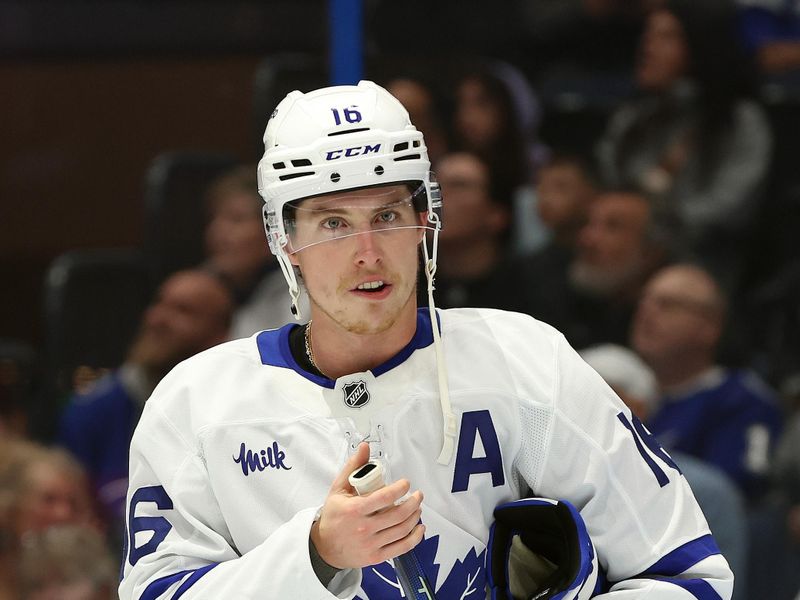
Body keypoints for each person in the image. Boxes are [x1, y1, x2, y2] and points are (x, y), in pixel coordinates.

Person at [119, 81, 733, 599]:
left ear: (424, 224)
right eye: (333, 223)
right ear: (285, 241)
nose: (367, 254)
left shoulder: (525, 363)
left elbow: (688, 578)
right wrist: (316, 555)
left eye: (387, 216)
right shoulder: (196, 406)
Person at [597, 0, 772, 289]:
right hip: (622, 261)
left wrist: (657, 228)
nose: (647, 47)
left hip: (704, 267)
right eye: (648, 35)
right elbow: (611, 186)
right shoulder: (632, 118)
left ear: (701, 45)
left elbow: (731, 209)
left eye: (666, 37)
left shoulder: (740, 123)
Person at [57, 269, 233, 525]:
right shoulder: (92, 410)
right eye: (158, 304)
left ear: (220, 333)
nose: (158, 318)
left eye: (183, 311)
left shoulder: (237, 408)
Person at [581, 343, 750, 598]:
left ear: (636, 408)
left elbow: (722, 589)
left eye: (594, 393)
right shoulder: (542, 470)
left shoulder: (707, 490)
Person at [630, 263, 784, 502]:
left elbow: (731, 497)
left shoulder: (740, 400)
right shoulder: (621, 393)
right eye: (644, 301)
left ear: (709, 327)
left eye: (667, 305)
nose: (646, 312)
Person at [522, 188, 672, 350]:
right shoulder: (545, 300)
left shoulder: (667, 327)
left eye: (612, 227)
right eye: (588, 223)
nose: (587, 238)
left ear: (651, 251)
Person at [203, 164, 309, 338]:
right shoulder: (199, 287)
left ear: (275, 230)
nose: (216, 231)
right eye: (213, 218)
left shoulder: (304, 300)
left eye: (236, 219)